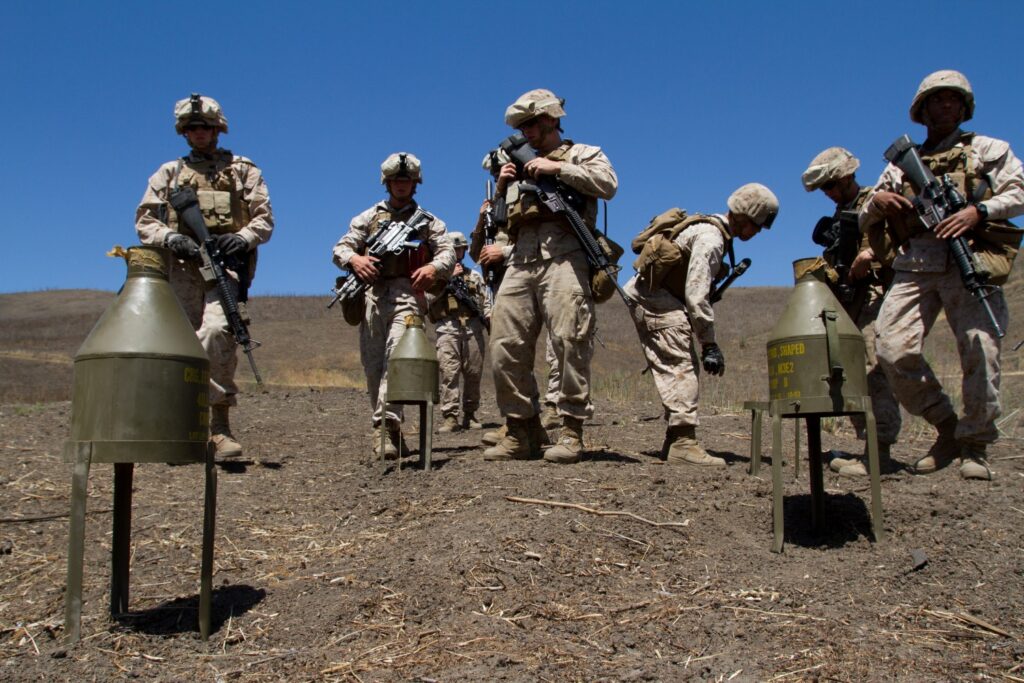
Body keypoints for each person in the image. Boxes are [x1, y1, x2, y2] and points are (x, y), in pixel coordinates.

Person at [860, 70, 1024, 480]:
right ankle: (947, 427)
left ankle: (975, 446)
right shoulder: (901, 164)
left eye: (953, 99)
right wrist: (878, 201)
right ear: (923, 109)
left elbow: (1019, 192)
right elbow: (865, 212)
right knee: (891, 348)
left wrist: (977, 211)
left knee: (981, 350)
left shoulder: (988, 150)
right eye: (937, 99)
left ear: (964, 107)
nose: (946, 106)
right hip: (917, 260)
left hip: (971, 255)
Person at [483, 88, 617, 464]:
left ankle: (572, 432)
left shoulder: (583, 153)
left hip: (566, 257)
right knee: (504, 347)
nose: (525, 131)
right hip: (520, 261)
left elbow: (608, 185)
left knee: (570, 342)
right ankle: (521, 431)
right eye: (521, 126)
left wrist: (556, 169)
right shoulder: (514, 164)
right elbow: (505, 224)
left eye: (531, 124)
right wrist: (504, 186)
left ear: (551, 120)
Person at [136, 94, 274, 459]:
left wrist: (240, 238)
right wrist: (172, 238)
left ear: (218, 128)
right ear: (184, 132)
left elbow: (264, 220)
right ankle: (182, 425)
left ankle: (218, 425)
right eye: (192, 128)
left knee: (217, 332)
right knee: (180, 344)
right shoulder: (169, 174)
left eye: (206, 127)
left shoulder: (243, 170)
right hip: (181, 269)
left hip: (225, 268)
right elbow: (145, 221)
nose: (199, 133)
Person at [624, 184, 778, 466]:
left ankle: (675, 440)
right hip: (655, 299)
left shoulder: (710, 230)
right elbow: (696, 295)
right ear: (745, 218)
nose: (756, 233)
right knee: (680, 365)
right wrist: (709, 343)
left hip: (655, 296)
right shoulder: (712, 239)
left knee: (681, 362)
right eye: (757, 226)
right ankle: (683, 443)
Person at [332, 153, 454, 458]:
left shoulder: (428, 222)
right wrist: (355, 259)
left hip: (408, 295)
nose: (401, 185)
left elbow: (447, 252)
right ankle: (391, 430)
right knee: (374, 367)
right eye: (396, 181)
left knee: (396, 358)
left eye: (407, 180)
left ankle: (385, 425)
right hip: (372, 296)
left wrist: (434, 268)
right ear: (387, 183)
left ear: (415, 184)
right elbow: (341, 247)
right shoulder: (368, 217)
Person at [801, 147, 901, 477]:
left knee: (873, 369)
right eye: (824, 189)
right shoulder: (840, 214)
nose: (827, 194)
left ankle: (880, 452)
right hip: (848, 302)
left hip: (875, 296)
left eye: (830, 186)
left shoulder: (877, 202)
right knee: (849, 372)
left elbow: (905, 237)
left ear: (845, 178)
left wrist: (871, 252)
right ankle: (868, 445)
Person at [427, 231, 490, 433]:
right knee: (449, 372)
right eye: (453, 250)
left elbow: (485, 301)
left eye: (460, 249)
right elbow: (427, 299)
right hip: (448, 328)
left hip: (472, 327)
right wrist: (446, 280)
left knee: (473, 373)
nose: (457, 253)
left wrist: (489, 318)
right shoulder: (435, 277)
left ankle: (470, 414)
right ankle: (450, 416)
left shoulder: (475, 276)